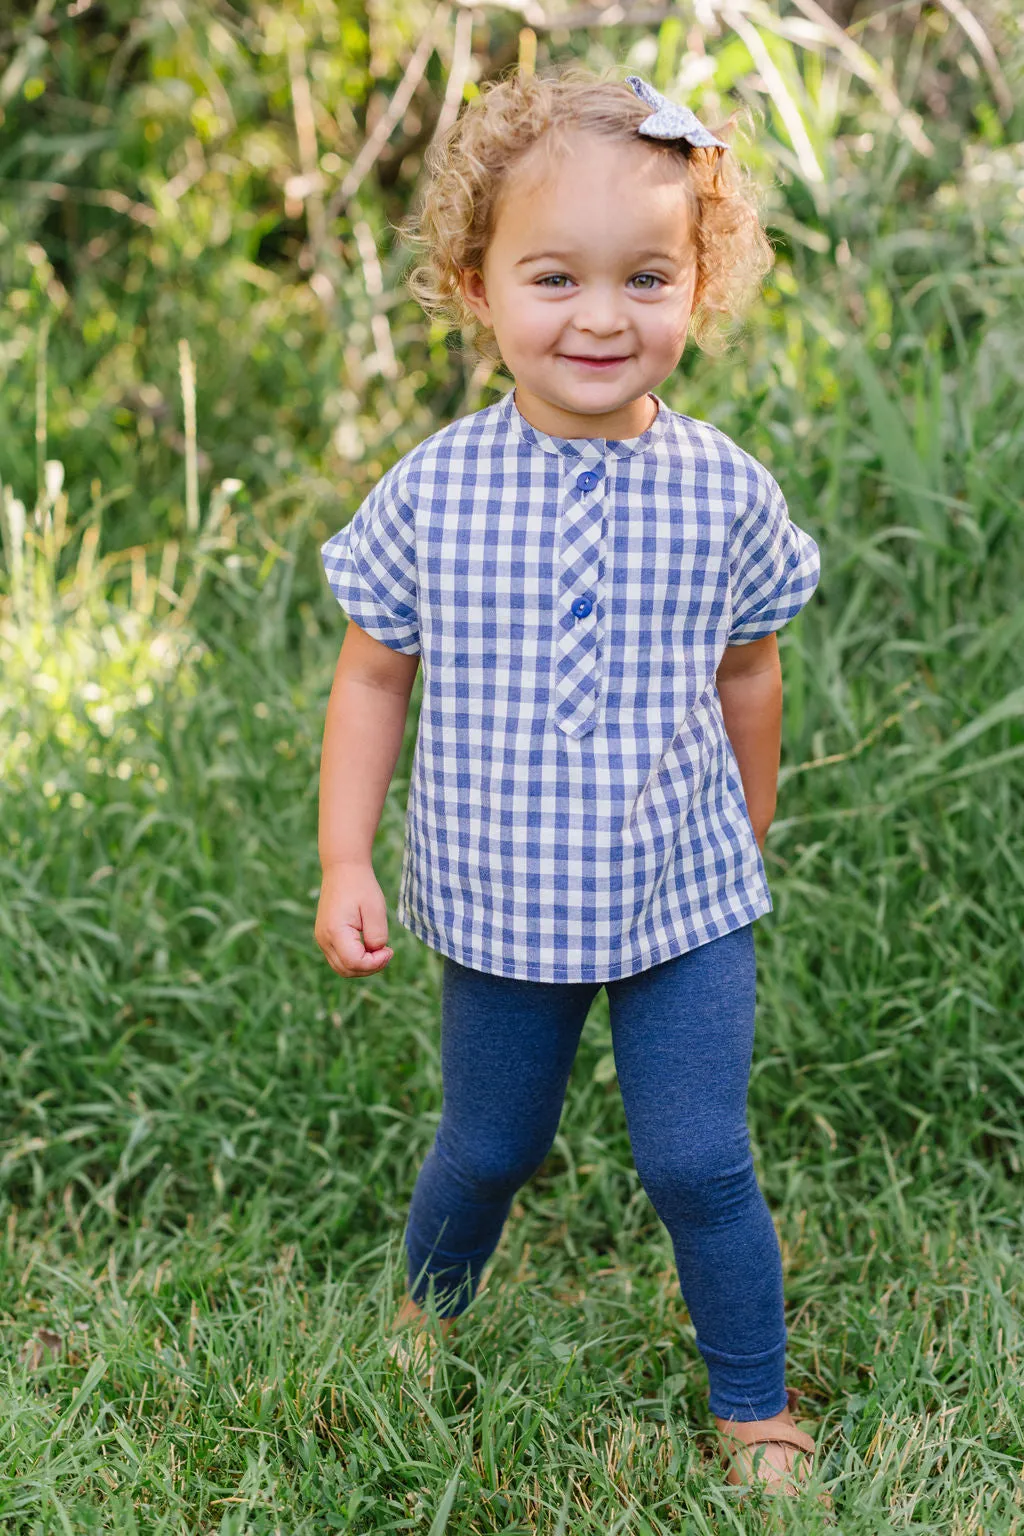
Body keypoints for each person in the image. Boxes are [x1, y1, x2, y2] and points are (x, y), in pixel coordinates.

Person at [315, 65, 824, 1502]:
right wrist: (346, 858)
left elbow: (748, 673)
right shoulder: (435, 489)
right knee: (488, 1143)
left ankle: (754, 1410)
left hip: (683, 900)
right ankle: (424, 1319)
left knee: (697, 1161)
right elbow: (372, 676)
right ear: (477, 288)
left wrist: (747, 830)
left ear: (698, 284)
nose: (602, 317)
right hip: (501, 892)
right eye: (555, 277)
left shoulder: (726, 490)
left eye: (645, 276)